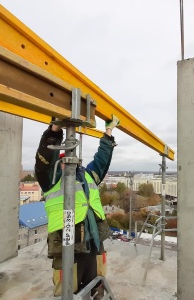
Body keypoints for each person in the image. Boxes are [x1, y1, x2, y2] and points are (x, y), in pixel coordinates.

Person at [35, 115, 120, 299]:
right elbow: (45, 160)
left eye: (71, 161)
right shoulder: (52, 179)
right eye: (64, 162)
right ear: (59, 164)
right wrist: (55, 129)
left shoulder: (88, 176)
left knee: (97, 286)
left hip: (94, 242)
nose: (69, 165)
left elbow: (102, 160)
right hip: (67, 245)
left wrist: (109, 131)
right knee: (67, 291)